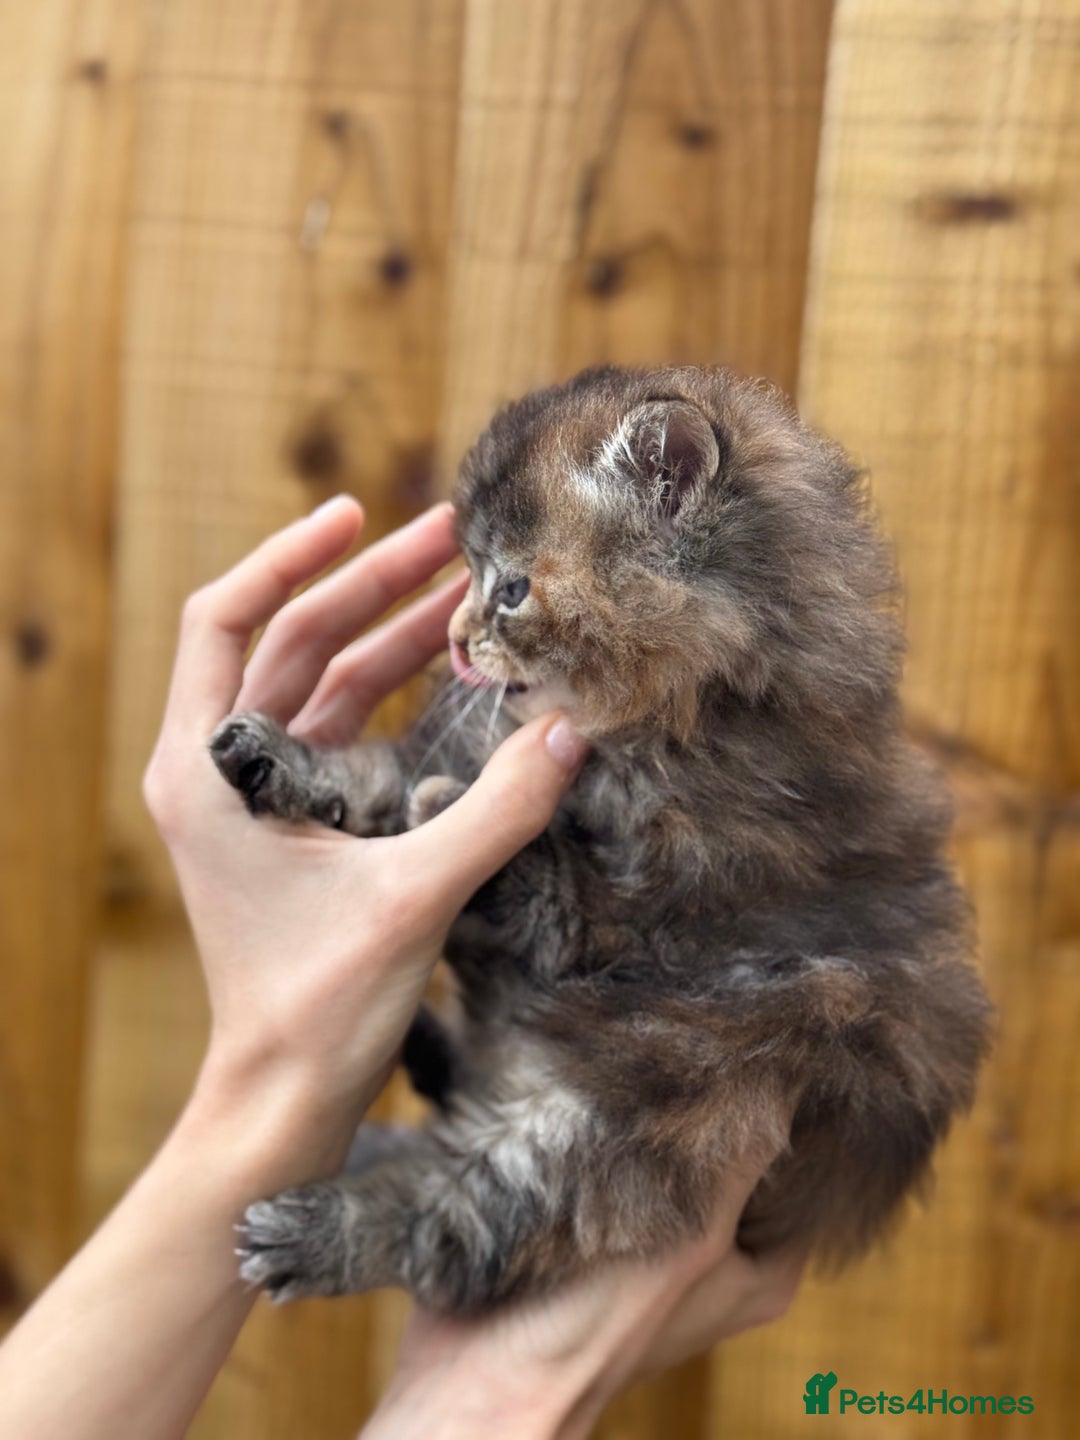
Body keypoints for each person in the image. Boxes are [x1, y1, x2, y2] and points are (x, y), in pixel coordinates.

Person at [0, 497, 805, 1440]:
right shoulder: (551, 707)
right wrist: (499, 1403)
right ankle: (435, 1173)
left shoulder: (744, 777)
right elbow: (411, 789)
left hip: (633, 1087)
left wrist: (276, 1084)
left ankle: (427, 1204)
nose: (462, 631)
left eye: (502, 588)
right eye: (474, 581)